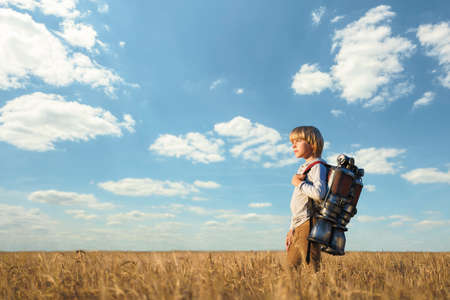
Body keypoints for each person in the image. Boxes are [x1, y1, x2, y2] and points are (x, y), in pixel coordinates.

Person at [285, 126, 327, 271]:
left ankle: (317, 293)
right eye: (292, 142)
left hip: (309, 223)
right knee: (290, 268)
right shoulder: (304, 167)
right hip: (299, 224)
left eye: (298, 141)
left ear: (312, 143)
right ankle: (294, 294)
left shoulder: (318, 165)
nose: (293, 145)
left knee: (311, 267)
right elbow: (299, 204)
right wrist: (292, 229)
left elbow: (319, 193)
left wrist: (299, 183)